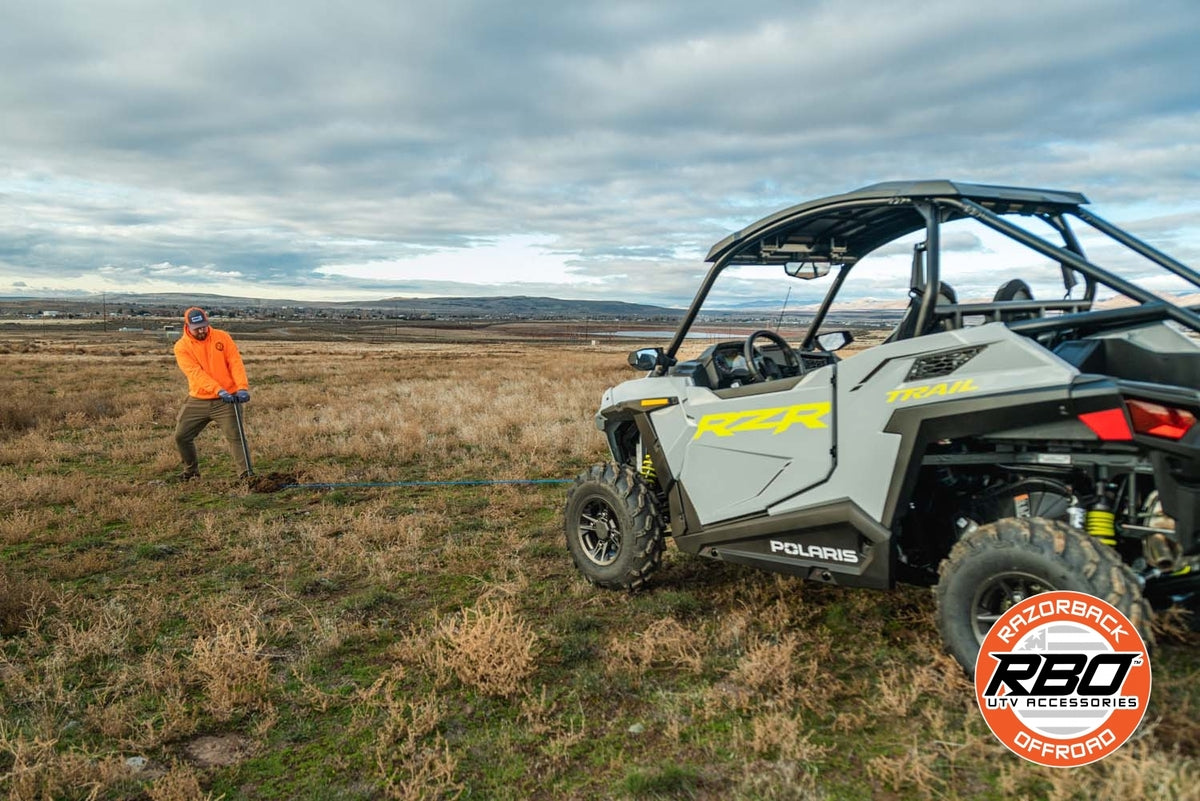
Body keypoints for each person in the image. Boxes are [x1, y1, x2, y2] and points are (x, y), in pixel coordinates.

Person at [172, 307, 252, 480]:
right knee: (181, 436)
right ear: (188, 326)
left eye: (204, 326)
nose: (202, 330)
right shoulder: (182, 347)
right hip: (198, 399)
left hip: (228, 400)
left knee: (235, 436)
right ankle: (191, 472)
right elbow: (195, 373)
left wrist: (242, 388)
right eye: (197, 328)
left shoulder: (222, 337)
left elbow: (235, 362)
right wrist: (218, 389)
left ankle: (246, 476)